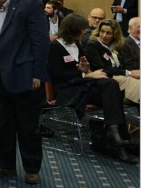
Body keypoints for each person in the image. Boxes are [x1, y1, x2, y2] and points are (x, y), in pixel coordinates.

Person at [0, 0, 49, 185]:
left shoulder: (29, 4)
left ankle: (31, 169)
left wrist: (38, 73)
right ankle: (5, 165)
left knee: (28, 125)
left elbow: (40, 41)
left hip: (24, 75)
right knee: (4, 124)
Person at [46, 14, 136, 164]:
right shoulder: (54, 46)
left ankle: (114, 135)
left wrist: (85, 69)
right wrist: (84, 74)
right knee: (112, 92)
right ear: (72, 30)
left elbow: (86, 69)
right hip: (67, 89)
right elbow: (58, 75)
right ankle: (118, 139)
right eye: (81, 29)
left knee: (111, 85)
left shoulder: (78, 45)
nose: (84, 32)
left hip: (82, 85)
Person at [84, 19, 140, 104]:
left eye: (108, 33)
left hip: (119, 74)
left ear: (115, 35)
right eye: (102, 31)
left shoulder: (116, 45)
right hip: (105, 76)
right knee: (134, 82)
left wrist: (132, 72)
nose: (104, 35)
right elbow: (102, 68)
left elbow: (123, 64)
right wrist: (128, 73)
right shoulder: (93, 45)